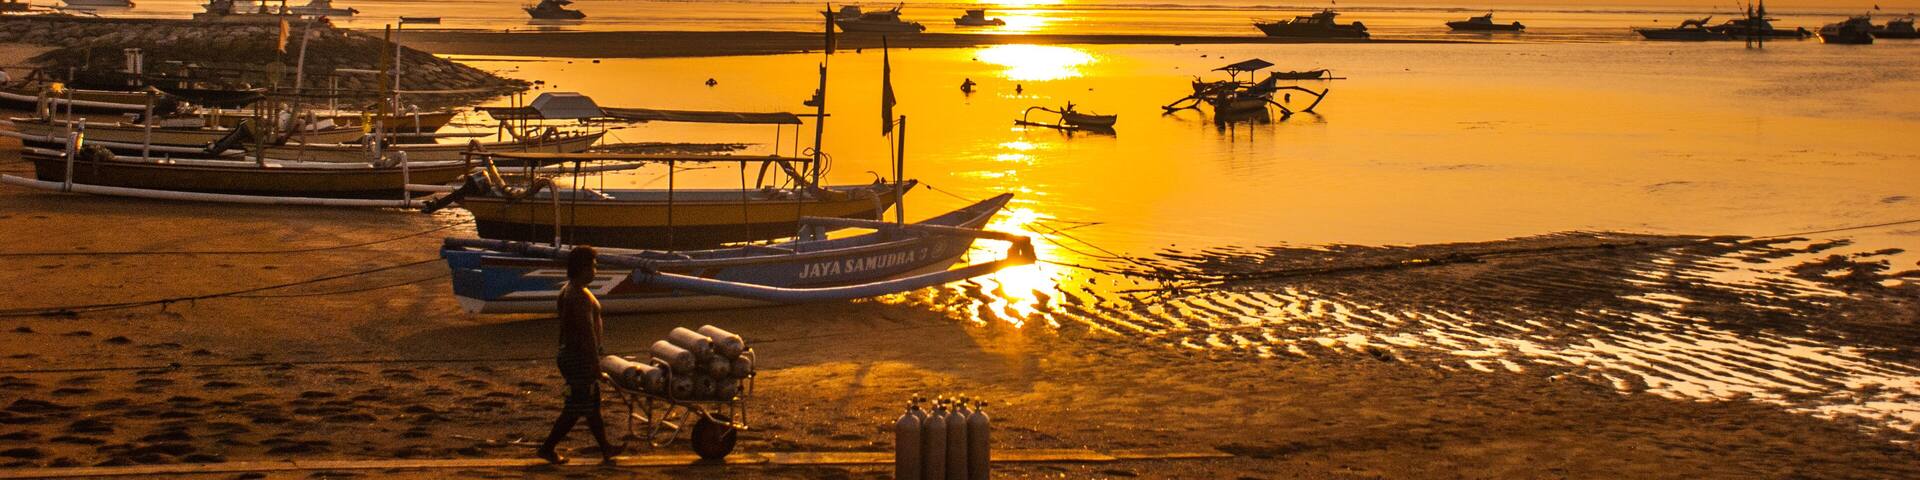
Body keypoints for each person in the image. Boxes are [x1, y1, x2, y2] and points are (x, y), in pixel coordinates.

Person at [536, 246, 622, 464]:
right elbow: (587, 333)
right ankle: (547, 448)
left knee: (591, 405)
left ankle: (606, 448)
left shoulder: (570, 289)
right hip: (578, 357)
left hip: (572, 354)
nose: (596, 270)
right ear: (583, 268)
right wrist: (595, 364)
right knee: (575, 408)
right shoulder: (578, 296)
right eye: (593, 266)